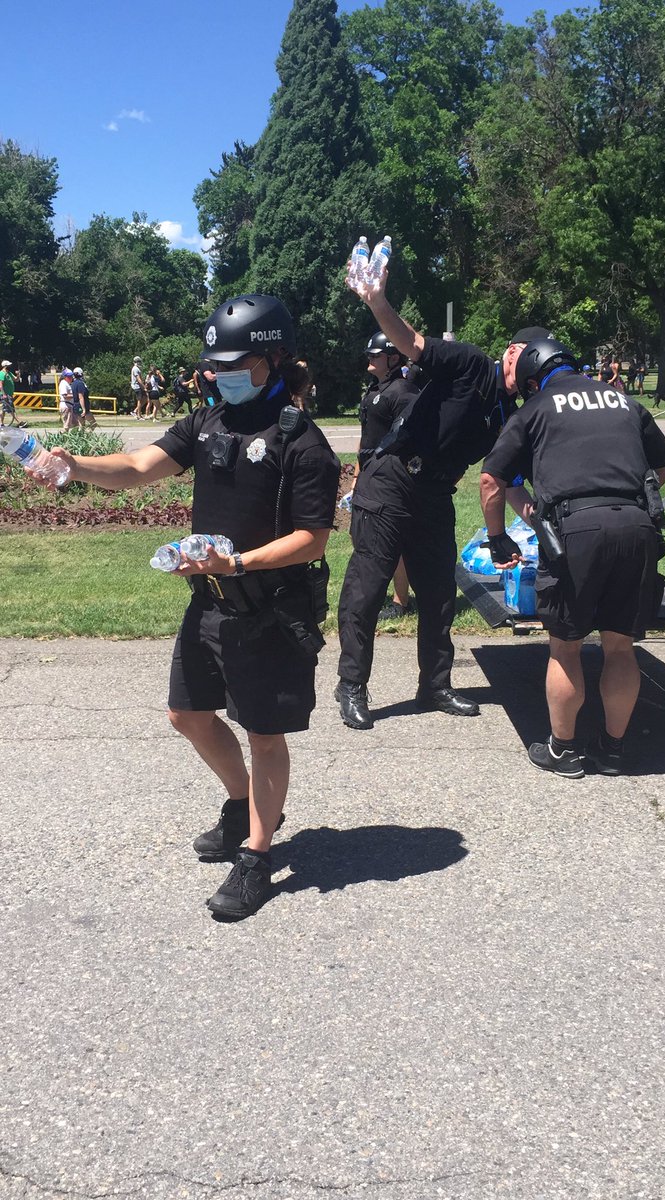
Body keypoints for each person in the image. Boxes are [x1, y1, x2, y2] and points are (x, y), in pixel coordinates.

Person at [40, 295, 340, 921]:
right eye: (212, 365)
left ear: (273, 358)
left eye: (233, 364)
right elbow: (138, 465)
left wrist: (237, 563)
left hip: (270, 606)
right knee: (187, 714)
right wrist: (76, 465)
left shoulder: (302, 441)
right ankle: (247, 803)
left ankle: (257, 855)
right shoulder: (206, 424)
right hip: (208, 601)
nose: (216, 375)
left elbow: (313, 538)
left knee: (264, 732)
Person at [336, 264, 538, 730]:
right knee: (366, 593)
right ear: (511, 353)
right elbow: (412, 344)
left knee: (439, 595)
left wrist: (542, 526)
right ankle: (351, 686)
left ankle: (435, 685)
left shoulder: (512, 415)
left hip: (434, 495)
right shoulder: (469, 363)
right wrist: (377, 301)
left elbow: (508, 481)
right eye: (523, 358)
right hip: (391, 480)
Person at [480, 337, 665, 778]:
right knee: (620, 647)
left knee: (566, 648)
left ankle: (563, 750)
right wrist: (642, 499)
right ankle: (612, 749)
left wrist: (499, 540)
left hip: (576, 533)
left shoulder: (535, 407)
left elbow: (492, 480)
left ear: (533, 378)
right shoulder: (622, 401)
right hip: (636, 527)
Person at [351, 330, 419, 620]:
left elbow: (409, 441)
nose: (369, 359)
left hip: (391, 476)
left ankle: (401, 600)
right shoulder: (374, 391)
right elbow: (366, 437)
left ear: (392, 358)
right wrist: (357, 473)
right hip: (369, 472)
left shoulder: (403, 392)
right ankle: (380, 594)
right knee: (366, 537)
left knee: (392, 541)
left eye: (375, 355)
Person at [0, 359, 27, 428]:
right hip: (5, 394)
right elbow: (1, 385)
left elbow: (16, 380)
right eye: (9, 365)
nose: (10, 366)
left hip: (10, 394)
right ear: (5, 366)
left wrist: (18, 375)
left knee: (4, 409)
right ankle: (19, 422)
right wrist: (4, 394)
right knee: (11, 408)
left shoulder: (9, 373)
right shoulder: (1, 374)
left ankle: (1, 423)